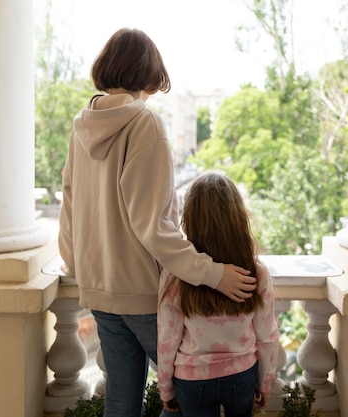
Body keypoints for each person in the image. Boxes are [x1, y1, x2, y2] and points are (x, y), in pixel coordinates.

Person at [57, 28, 257, 417]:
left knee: (120, 401)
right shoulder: (144, 124)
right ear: (147, 74)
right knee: (185, 396)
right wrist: (214, 274)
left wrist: (77, 264)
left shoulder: (81, 126)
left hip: (99, 291)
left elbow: (69, 203)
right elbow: (154, 225)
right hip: (144, 294)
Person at [157, 173, 279, 417]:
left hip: (192, 378)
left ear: (190, 220)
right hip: (242, 374)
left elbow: (167, 339)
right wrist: (266, 383)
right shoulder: (257, 272)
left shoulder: (176, 275)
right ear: (238, 218)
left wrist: (166, 390)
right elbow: (267, 335)